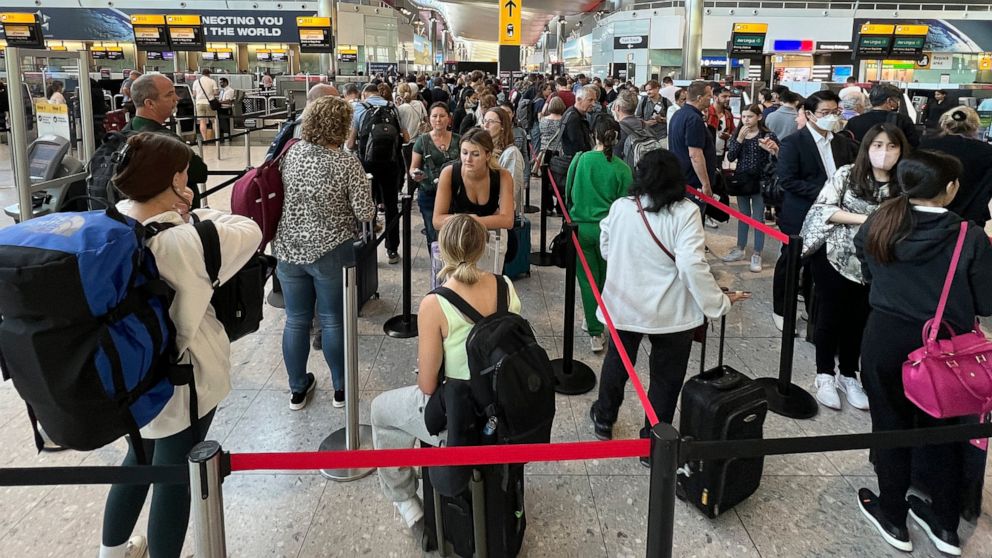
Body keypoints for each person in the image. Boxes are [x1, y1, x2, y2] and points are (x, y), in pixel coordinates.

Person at [99, 132, 261, 558]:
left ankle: (111, 551)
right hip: (180, 378)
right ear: (174, 181)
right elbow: (248, 228)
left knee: (137, 459)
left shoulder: (115, 221)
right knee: (175, 475)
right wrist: (190, 211)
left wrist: (176, 210)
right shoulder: (184, 241)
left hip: (129, 369)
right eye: (185, 175)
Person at [853, 150, 992, 556]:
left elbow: (866, 265)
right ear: (950, 189)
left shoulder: (882, 220)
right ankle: (945, 526)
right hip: (945, 348)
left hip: (884, 336)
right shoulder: (968, 236)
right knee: (945, 432)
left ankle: (893, 516)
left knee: (890, 425)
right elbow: (985, 301)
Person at [371, 214, 523, 534]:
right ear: (482, 248)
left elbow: (427, 385)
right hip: (502, 404)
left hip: (460, 412)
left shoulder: (435, 303)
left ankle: (407, 503)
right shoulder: (504, 287)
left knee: (381, 411)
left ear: (443, 251)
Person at [589, 149, 747, 447]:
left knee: (617, 362)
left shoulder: (623, 207)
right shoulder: (685, 212)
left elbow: (606, 245)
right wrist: (716, 302)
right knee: (666, 377)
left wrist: (626, 263)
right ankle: (654, 439)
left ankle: (604, 418)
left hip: (625, 303)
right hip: (671, 311)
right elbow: (691, 264)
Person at [273, 96, 377, 411]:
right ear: (342, 125)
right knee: (333, 320)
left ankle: (297, 389)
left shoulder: (291, 153)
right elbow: (365, 211)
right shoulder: (346, 161)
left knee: (296, 319)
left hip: (289, 249)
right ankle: (341, 389)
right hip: (332, 250)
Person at [803, 123, 909, 411]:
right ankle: (824, 373)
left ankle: (849, 375)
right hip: (836, 257)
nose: (884, 152)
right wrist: (870, 221)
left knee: (860, 320)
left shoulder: (905, 182)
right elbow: (824, 208)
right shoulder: (848, 174)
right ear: (867, 147)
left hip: (879, 265)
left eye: (891, 146)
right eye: (877, 145)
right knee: (829, 315)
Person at [773, 90, 858, 331]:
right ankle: (782, 309)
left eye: (835, 112)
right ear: (810, 115)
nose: (831, 117)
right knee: (791, 263)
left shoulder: (843, 143)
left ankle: (814, 314)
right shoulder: (794, 142)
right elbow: (787, 180)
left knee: (821, 266)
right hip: (801, 213)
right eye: (825, 113)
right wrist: (826, 192)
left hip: (836, 215)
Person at [565, 116, 632, 353]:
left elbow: (568, 193)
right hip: (610, 231)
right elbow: (626, 204)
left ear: (595, 135)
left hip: (581, 228)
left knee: (587, 280)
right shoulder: (623, 169)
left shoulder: (581, 160)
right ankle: (599, 318)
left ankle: (595, 330)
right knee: (606, 279)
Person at [433, 129, 515, 273]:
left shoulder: (503, 176)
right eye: (464, 153)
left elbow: (508, 220)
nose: (468, 159)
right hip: (457, 242)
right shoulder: (449, 173)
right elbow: (437, 220)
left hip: (489, 242)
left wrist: (470, 220)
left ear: (488, 155)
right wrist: (478, 220)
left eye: (475, 154)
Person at [348, 84, 408, 264]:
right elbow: (406, 137)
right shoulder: (393, 108)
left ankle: (368, 247)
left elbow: (350, 143)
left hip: (367, 166)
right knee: (391, 206)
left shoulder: (360, 108)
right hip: (390, 164)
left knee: (367, 205)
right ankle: (392, 250)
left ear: (365, 94)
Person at [721, 104, 780, 272]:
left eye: (750, 116)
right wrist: (739, 139)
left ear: (759, 117)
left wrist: (771, 149)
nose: (746, 120)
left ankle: (757, 253)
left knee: (758, 218)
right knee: (743, 216)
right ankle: (740, 248)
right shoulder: (738, 133)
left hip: (761, 181)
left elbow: (779, 157)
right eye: (744, 116)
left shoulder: (767, 135)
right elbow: (731, 156)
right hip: (742, 180)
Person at [128, 74, 208, 196]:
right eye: (169, 94)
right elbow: (200, 173)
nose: (177, 98)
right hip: (171, 211)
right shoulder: (165, 141)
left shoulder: (125, 132)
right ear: (149, 103)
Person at [920, 106, 992, 226]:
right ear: (974, 125)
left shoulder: (926, 144)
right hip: (970, 217)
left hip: (929, 212)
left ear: (946, 122)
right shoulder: (986, 151)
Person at [410, 102, 460, 246]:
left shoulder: (458, 139)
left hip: (455, 194)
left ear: (449, 119)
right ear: (429, 119)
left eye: (442, 116)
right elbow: (413, 167)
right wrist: (416, 174)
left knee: (454, 235)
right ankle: (437, 267)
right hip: (429, 193)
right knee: (433, 236)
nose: (438, 119)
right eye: (435, 116)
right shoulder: (422, 141)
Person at [668, 81, 716, 199]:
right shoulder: (693, 119)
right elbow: (695, 154)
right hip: (693, 182)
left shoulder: (678, 114)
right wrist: (705, 184)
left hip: (681, 177)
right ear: (699, 98)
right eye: (709, 96)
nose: (711, 99)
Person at [844, 83, 920, 147]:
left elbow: (846, 144)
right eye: (897, 101)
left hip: (862, 162)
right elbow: (913, 145)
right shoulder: (903, 120)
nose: (898, 104)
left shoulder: (854, 121)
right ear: (889, 101)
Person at [482, 107, 525, 212]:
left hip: (501, 216)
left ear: (502, 126)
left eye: (491, 122)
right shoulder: (484, 149)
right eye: (485, 121)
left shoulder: (511, 154)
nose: (486, 126)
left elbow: (510, 191)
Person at [538, 96, 566, 214]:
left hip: (544, 153)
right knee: (561, 181)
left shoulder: (543, 120)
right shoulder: (563, 121)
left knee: (546, 181)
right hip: (559, 153)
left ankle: (547, 207)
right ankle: (560, 207)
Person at [561, 85, 597, 158]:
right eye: (590, 100)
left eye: (594, 100)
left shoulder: (576, 114)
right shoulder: (573, 118)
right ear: (578, 99)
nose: (594, 104)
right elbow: (578, 146)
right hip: (577, 161)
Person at [707, 86, 736, 161]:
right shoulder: (707, 113)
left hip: (722, 154)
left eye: (729, 97)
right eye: (724, 96)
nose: (728, 99)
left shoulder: (728, 115)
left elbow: (734, 132)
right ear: (715, 97)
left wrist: (729, 136)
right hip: (707, 153)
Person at [191, 69, 219, 141]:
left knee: (202, 121)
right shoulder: (212, 81)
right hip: (210, 103)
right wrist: (210, 93)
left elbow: (194, 94)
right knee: (213, 121)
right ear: (209, 74)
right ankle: (216, 138)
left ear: (202, 74)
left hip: (199, 103)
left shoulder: (196, 82)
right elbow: (216, 93)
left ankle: (205, 139)